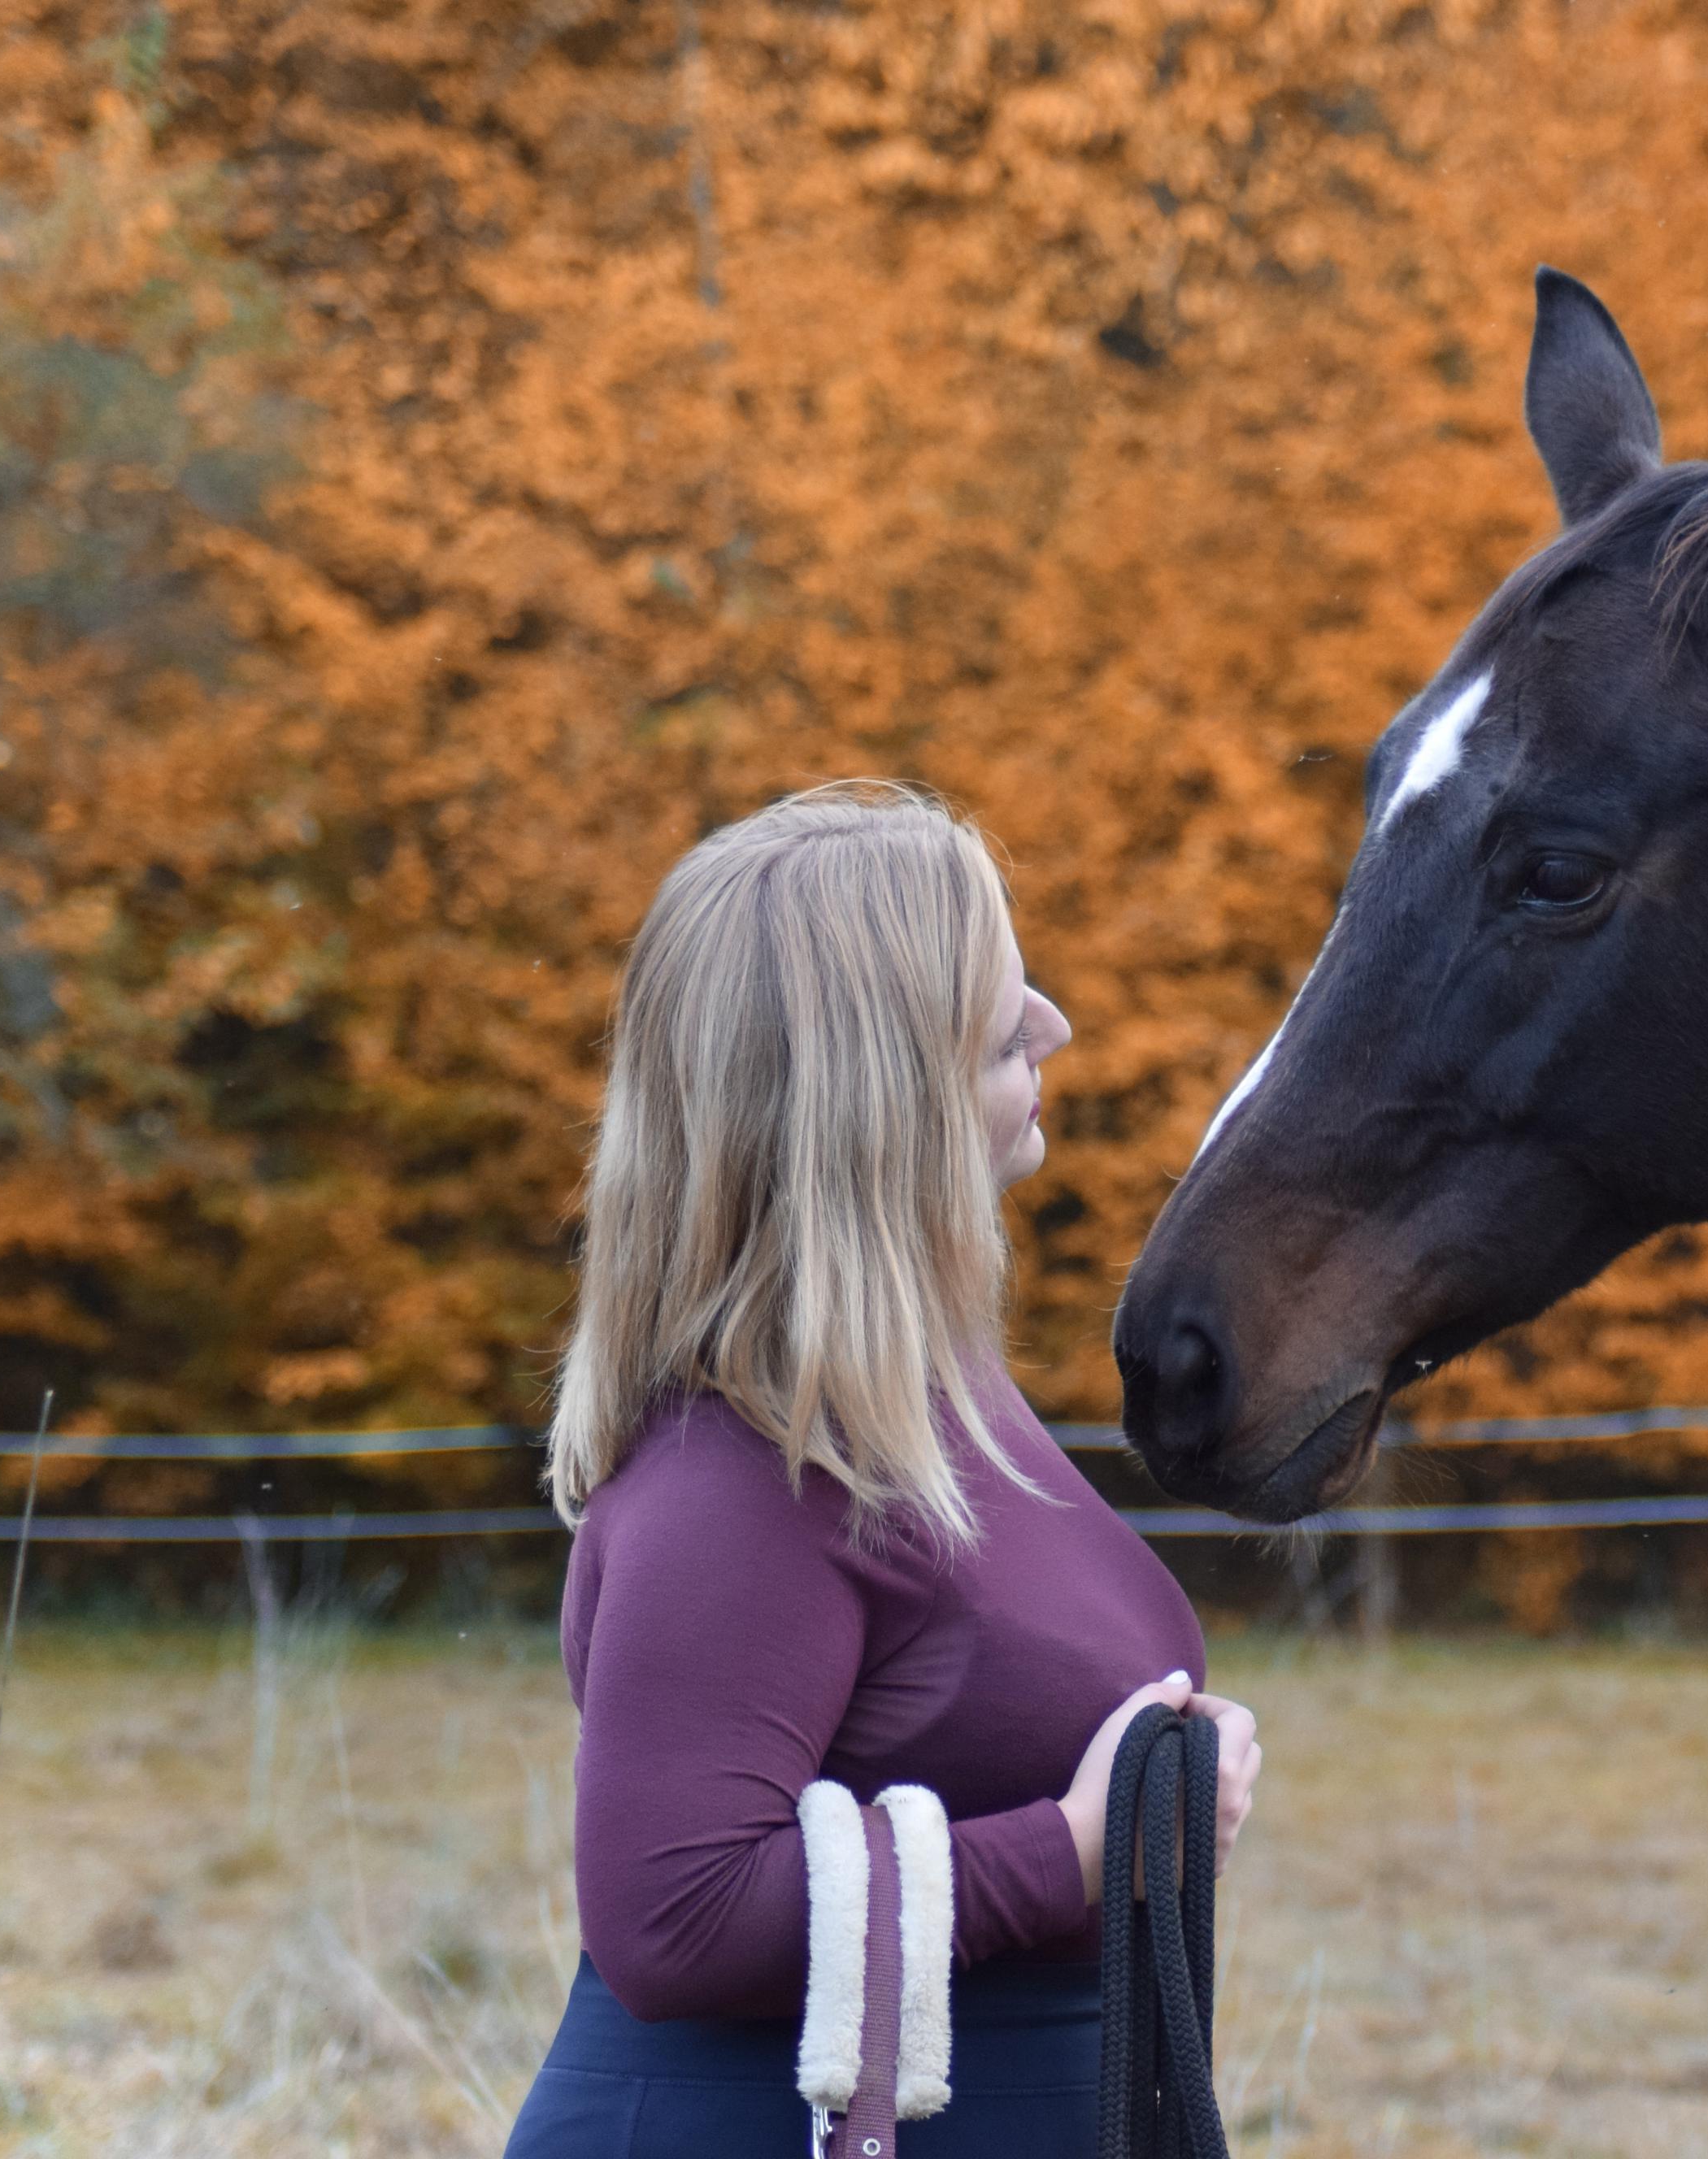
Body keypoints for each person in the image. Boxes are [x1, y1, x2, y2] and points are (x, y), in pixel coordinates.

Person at [502, 780, 1263, 2159]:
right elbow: (672, 1920)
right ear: (884, 1097)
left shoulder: (921, 1398)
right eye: (998, 1020)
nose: (1056, 1026)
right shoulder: (742, 1467)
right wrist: (1083, 1847)